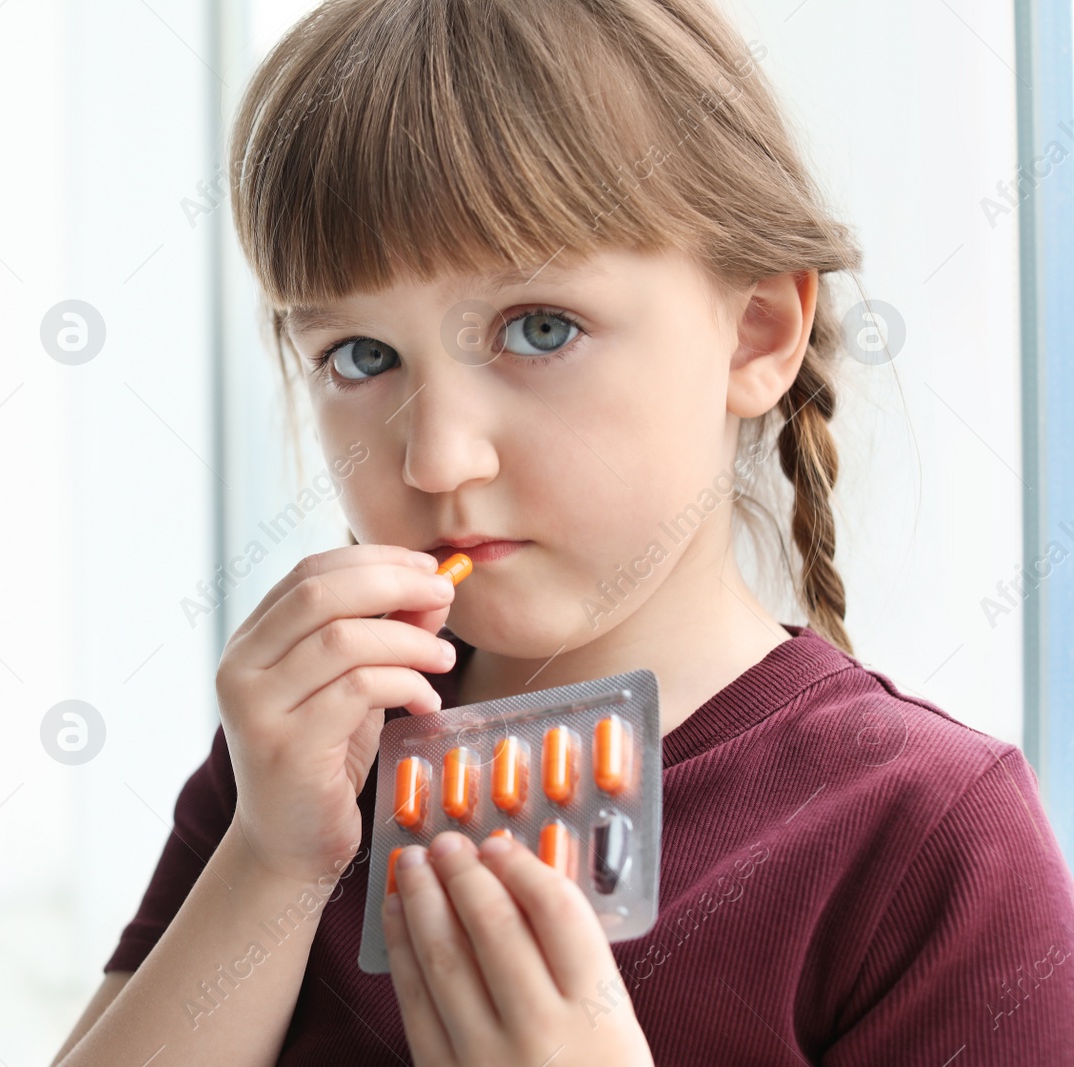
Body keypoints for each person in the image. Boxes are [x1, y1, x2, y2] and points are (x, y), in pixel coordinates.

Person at [52, 0, 1074, 1062]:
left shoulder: (930, 844)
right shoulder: (307, 753)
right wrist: (269, 859)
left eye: (539, 329)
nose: (438, 459)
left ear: (756, 331)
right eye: (360, 355)